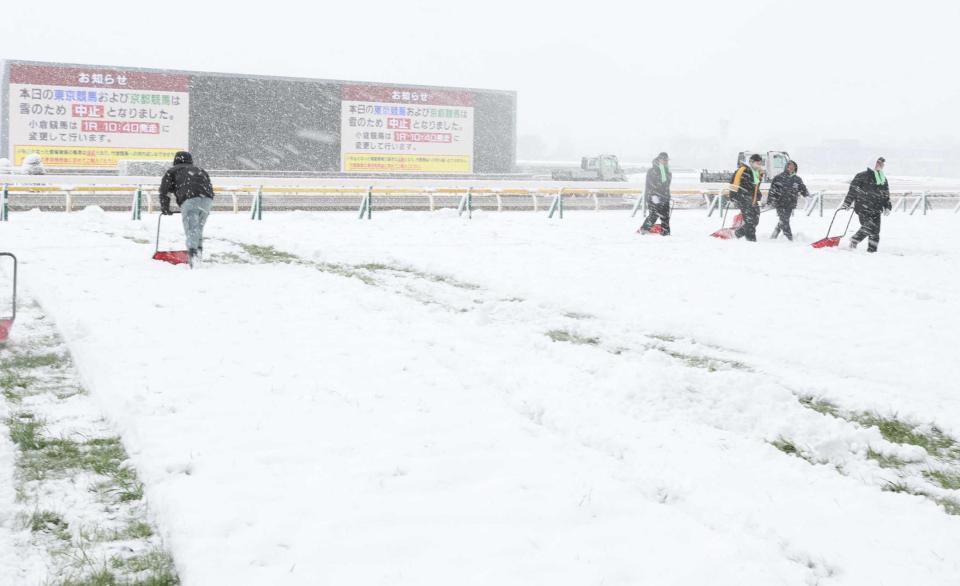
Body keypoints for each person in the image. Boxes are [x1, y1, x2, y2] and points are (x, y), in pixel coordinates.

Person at [159, 151, 215, 267]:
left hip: (190, 199)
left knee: (191, 229)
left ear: (176, 160)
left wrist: (165, 208)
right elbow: (208, 185)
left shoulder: (172, 171)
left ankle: (193, 257)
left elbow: (164, 191)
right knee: (198, 228)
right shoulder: (200, 170)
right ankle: (198, 254)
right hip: (207, 200)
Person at [841, 157, 891, 253]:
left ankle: (872, 251)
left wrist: (887, 206)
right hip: (863, 207)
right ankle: (854, 240)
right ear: (872, 164)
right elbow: (852, 191)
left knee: (875, 232)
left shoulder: (882, 178)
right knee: (869, 227)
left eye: (882, 164)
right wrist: (847, 203)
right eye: (878, 163)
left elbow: (885, 194)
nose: (880, 165)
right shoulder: (861, 176)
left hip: (877, 208)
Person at [767, 160, 809, 241]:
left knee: (783, 220)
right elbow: (772, 190)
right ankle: (789, 238)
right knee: (784, 220)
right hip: (780, 203)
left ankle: (774, 235)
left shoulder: (797, 179)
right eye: (789, 166)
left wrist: (807, 194)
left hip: (790, 204)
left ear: (795, 168)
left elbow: (803, 189)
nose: (791, 168)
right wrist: (770, 201)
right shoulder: (778, 177)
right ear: (786, 167)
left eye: (793, 166)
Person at [730, 154, 764, 241]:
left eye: (760, 163)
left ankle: (739, 234)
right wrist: (733, 197)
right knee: (750, 222)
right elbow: (734, 184)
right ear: (751, 162)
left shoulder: (757, 172)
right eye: (757, 163)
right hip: (743, 199)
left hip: (753, 200)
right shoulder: (742, 170)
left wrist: (758, 196)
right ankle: (750, 240)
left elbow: (755, 187)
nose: (759, 165)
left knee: (755, 221)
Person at [639, 152, 672, 235]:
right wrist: (653, 195)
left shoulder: (667, 171)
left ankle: (665, 232)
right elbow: (650, 184)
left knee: (665, 216)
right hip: (654, 196)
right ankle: (644, 230)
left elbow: (666, 184)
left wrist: (667, 196)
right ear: (659, 159)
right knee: (654, 214)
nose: (665, 162)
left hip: (665, 196)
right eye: (664, 160)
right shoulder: (652, 171)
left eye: (666, 160)